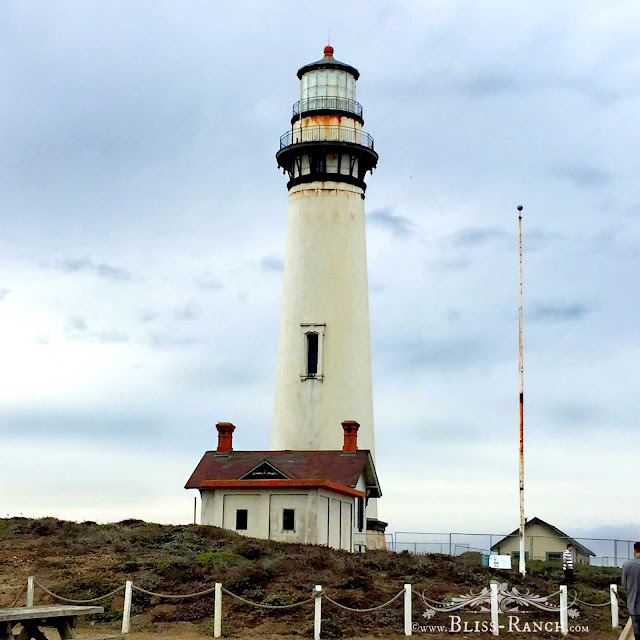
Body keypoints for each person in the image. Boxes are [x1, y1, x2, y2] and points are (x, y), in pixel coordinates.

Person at [622, 541, 640, 640]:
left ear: (634, 550)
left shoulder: (627, 565)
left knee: (637, 630)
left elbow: (624, 585)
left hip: (634, 603)